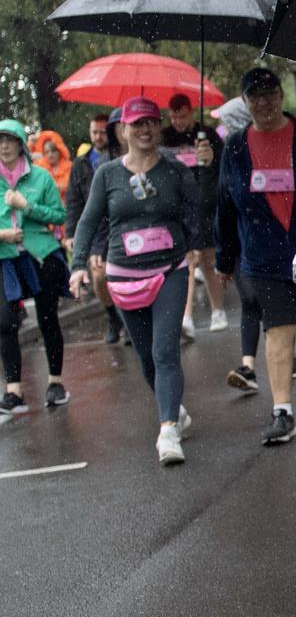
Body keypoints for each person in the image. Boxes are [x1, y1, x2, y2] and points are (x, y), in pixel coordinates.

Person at [68, 97, 206, 464]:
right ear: (123, 130)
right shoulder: (108, 174)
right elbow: (87, 220)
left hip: (170, 271)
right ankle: (174, 408)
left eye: (151, 123)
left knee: (164, 351)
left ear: (159, 127)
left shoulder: (174, 170)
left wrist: (205, 170)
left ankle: (167, 432)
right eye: (137, 124)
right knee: (146, 356)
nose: (145, 130)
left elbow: (199, 210)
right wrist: (78, 263)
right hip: (124, 276)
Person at [215, 67, 296, 445]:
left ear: (281, 96)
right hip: (262, 255)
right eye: (255, 96)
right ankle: (282, 412)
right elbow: (225, 204)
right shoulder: (235, 147)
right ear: (246, 101)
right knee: (278, 328)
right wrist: (224, 256)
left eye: (269, 94)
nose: (263, 102)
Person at [0, 119, 68, 416]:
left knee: (47, 317)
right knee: (4, 323)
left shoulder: (40, 177)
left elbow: (59, 215)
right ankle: (13, 390)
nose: (3, 146)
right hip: (5, 259)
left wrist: (26, 206)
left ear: (20, 144)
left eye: (9, 140)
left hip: (41, 254)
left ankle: (56, 382)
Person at [162, 93, 228, 336]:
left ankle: (218, 309)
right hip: (179, 205)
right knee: (187, 261)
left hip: (204, 203)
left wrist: (208, 161)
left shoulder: (207, 135)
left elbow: (222, 167)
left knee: (208, 260)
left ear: (190, 112)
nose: (178, 122)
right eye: (173, 117)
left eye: (182, 116)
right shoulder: (166, 138)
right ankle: (186, 316)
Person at [64, 112, 126, 344]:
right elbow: (75, 202)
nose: (99, 136)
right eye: (94, 132)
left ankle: (129, 318)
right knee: (100, 276)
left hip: (120, 225)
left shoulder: (120, 158)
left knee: (123, 276)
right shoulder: (80, 164)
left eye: (103, 131)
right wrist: (71, 233)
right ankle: (114, 317)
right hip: (98, 229)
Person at [31, 129, 71, 205]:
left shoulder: (69, 166)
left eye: (53, 151)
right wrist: (31, 144)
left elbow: (74, 186)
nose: (50, 155)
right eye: (47, 152)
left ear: (59, 151)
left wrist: (62, 187)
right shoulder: (40, 167)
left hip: (68, 207)